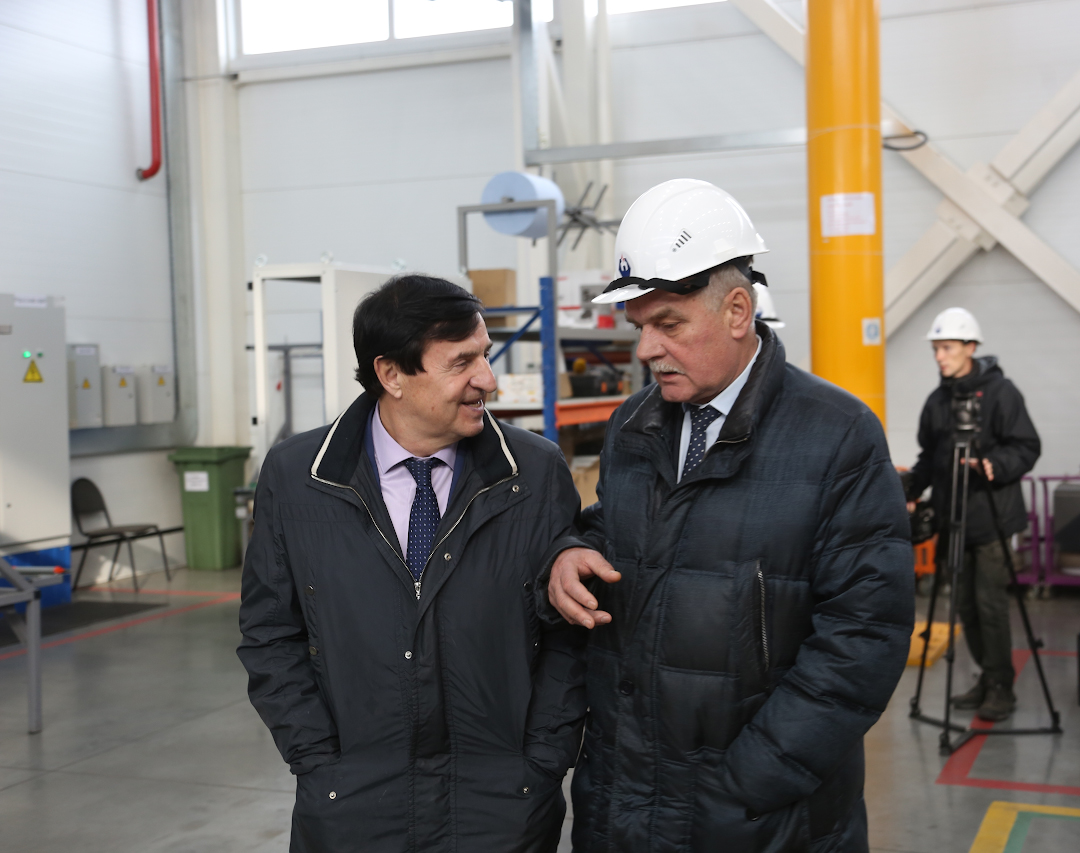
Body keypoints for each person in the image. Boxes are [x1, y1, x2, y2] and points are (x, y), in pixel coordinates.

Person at [543, 179, 915, 852]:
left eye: (668, 325)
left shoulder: (836, 436)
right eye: (639, 327)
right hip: (626, 801)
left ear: (738, 310)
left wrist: (750, 783)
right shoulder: (633, 424)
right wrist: (572, 547)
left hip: (760, 819)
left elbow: (864, 636)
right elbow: (622, 529)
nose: (646, 350)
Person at [238, 275, 586, 853]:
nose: (488, 380)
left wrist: (542, 759)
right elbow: (270, 633)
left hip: (501, 809)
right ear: (391, 374)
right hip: (353, 808)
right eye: (462, 362)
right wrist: (318, 760)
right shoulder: (298, 478)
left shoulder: (535, 473)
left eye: (485, 356)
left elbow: (569, 638)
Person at [905, 307, 1041, 722]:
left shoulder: (1002, 393)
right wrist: (909, 489)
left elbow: (1027, 446)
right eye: (935, 349)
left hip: (992, 519)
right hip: (952, 519)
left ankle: (1001, 686)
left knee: (990, 605)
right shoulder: (938, 401)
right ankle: (988, 675)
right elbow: (929, 457)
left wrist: (994, 465)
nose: (939, 357)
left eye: (947, 348)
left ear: (970, 347)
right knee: (964, 605)